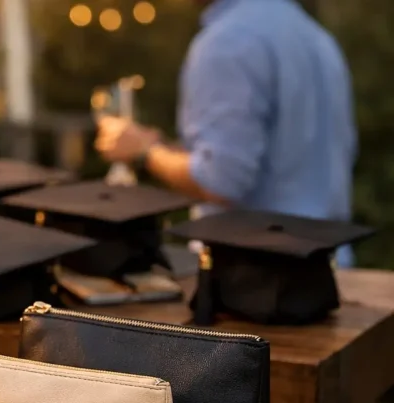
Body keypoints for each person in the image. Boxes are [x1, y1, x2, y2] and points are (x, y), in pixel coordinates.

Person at [94, 0, 357, 265]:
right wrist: (162, 147)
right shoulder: (316, 38)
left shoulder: (229, 41)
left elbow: (220, 181)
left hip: (257, 273)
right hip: (328, 267)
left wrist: (145, 152)